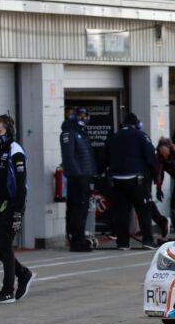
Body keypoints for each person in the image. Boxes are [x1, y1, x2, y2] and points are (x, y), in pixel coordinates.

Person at [0, 114, 35, 303]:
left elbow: (21, 182)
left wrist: (18, 209)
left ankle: (7, 290)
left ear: (9, 130)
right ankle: (24, 273)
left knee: (5, 244)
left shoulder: (16, 150)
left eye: (0, 131)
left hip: (13, 202)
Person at [102, 112, 156, 250]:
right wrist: (155, 176)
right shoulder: (141, 135)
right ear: (136, 123)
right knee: (143, 209)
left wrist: (101, 174)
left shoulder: (113, 137)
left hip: (117, 180)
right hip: (136, 179)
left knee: (121, 212)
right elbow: (150, 157)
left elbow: (104, 159)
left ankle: (122, 242)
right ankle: (147, 240)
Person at [60, 107, 97, 252]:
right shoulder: (69, 133)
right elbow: (69, 157)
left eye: (84, 115)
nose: (84, 118)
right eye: (80, 115)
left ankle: (79, 239)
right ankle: (76, 241)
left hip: (85, 175)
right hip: (78, 177)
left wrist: (91, 173)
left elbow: (87, 156)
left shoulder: (81, 132)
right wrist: (77, 174)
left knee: (82, 209)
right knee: (77, 209)